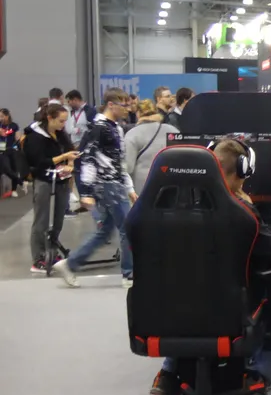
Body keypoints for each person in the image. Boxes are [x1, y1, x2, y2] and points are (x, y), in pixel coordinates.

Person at [149, 138, 271, 395]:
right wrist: (250, 207)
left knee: (184, 295)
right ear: (242, 171)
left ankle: (168, 372)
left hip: (171, 311)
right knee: (260, 293)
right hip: (228, 312)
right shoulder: (244, 213)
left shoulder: (169, 208)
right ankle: (249, 371)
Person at [52, 88, 137, 288]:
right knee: (127, 228)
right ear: (111, 104)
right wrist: (87, 192)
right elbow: (88, 158)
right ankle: (129, 274)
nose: (127, 109)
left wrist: (129, 188)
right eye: (123, 105)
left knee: (106, 230)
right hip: (108, 186)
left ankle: (70, 264)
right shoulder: (99, 128)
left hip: (114, 183)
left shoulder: (115, 128)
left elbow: (118, 162)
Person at [22, 103, 79, 273]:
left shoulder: (60, 133)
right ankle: (38, 258)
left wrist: (70, 163)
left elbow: (70, 150)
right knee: (42, 220)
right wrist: (63, 157)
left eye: (65, 121)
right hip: (43, 180)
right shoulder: (34, 136)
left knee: (58, 220)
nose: (63, 124)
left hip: (61, 180)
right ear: (49, 118)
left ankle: (52, 253)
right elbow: (38, 162)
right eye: (61, 121)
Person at [125, 99, 179, 193]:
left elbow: (128, 167)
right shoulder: (173, 130)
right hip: (171, 185)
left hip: (142, 187)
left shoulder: (133, 134)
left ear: (138, 114)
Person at [0, 108, 25, 197]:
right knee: (6, 169)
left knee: (14, 168)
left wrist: (18, 139)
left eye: (2, 116)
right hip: (2, 151)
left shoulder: (14, 126)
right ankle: (21, 182)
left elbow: (17, 137)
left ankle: (14, 190)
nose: (1, 118)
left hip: (11, 149)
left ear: (7, 116)